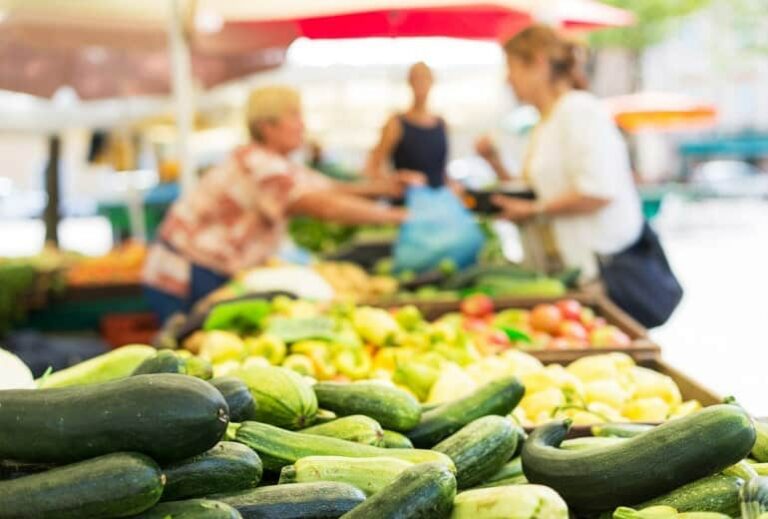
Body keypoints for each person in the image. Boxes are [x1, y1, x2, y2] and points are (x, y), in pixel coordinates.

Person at [143, 86, 412, 322]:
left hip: (210, 270)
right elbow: (324, 206)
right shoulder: (260, 166)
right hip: (185, 275)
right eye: (294, 116)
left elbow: (331, 188)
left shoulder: (278, 164)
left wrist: (386, 187)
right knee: (190, 353)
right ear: (266, 126)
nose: (302, 125)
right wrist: (395, 216)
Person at [475, 25, 643, 282]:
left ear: (539, 63)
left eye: (513, 67)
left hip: (600, 275)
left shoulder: (579, 110)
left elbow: (598, 191)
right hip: (564, 275)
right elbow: (536, 192)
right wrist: (494, 162)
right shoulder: (545, 122)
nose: (508, 79)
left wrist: (533, 210)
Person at [367, 62, 449, 189]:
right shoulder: (396, 122)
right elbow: (373, 167)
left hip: (439, 198)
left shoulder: (441, 124)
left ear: (432, 82)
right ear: (409, 82)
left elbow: (441, 171)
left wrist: (453, 186)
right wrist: (397, 178)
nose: (421, 84)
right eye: (417, 78)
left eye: (425, 78)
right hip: (407, 199)